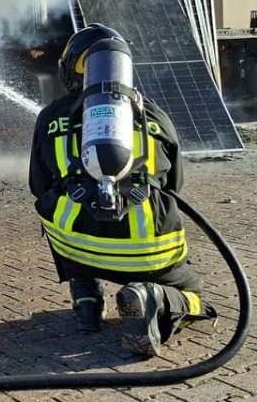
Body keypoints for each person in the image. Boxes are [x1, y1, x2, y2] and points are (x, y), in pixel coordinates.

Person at [28, 24, 217, 356]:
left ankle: (86, 299)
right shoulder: (155, 115)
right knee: (193, 294)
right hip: (150, 252)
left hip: (77, 246)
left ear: (73, 69)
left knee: (53, 204)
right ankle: (153, 297)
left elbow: (38, 186)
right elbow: (174, 187)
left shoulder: (50, 116)